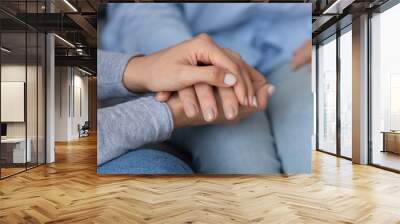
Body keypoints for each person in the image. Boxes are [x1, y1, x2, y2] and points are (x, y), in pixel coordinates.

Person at [100, 3, 313, 173]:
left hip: (295, 48)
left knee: (308, 142)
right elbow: (144, 13)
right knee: (243, 159)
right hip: (186, 47)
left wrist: (336, 23)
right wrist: (189, 65)